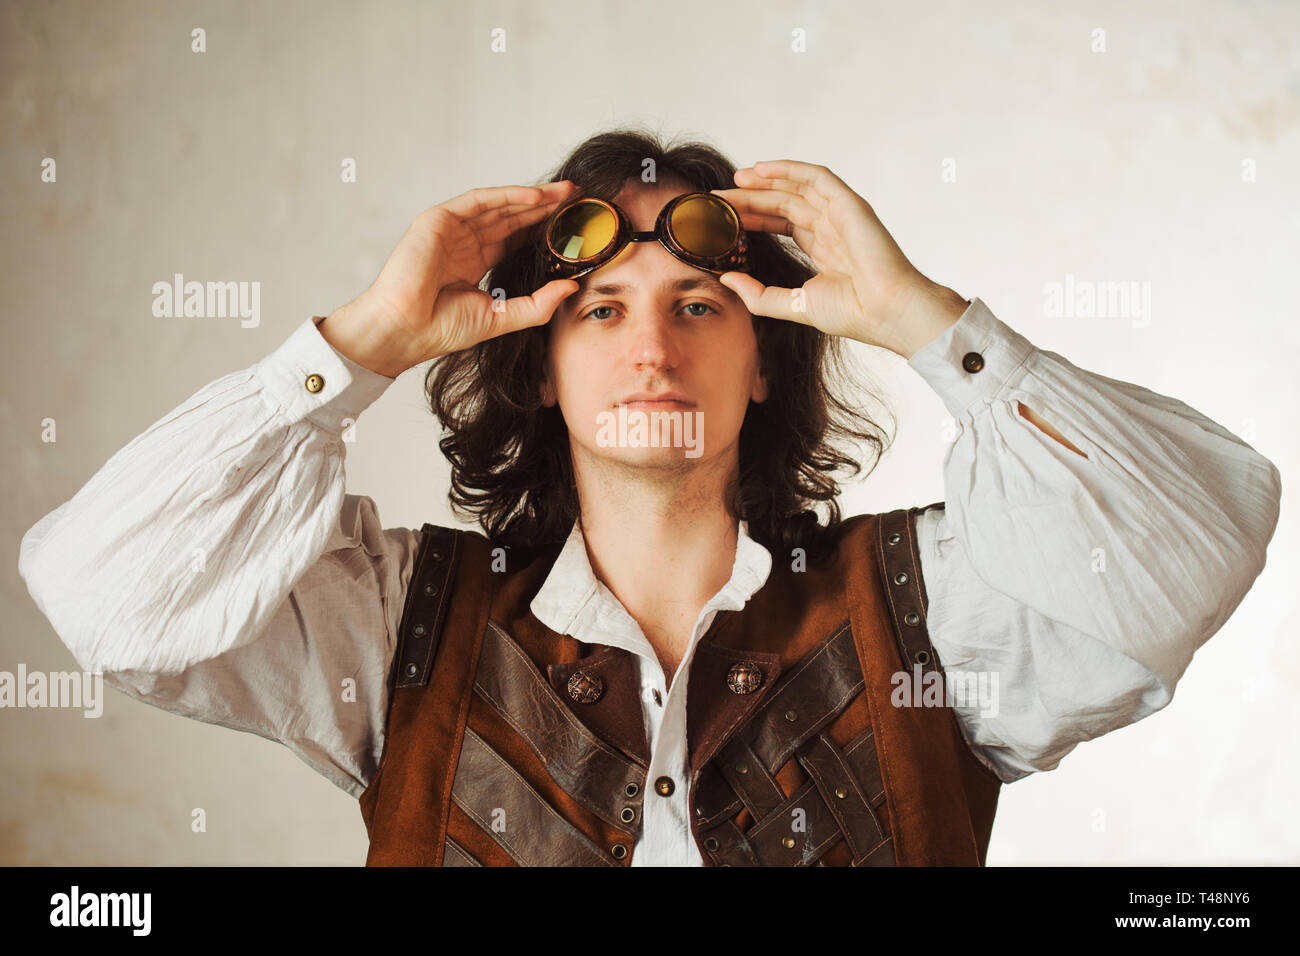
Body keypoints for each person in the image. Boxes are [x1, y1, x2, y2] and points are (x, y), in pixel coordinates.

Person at [19, 128, 1282, 867]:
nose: (652, 350)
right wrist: (355, 346)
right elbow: (98, 589)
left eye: (698, 306)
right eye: (601, 310)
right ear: (541, 362)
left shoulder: (934, 612)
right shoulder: (399, 623)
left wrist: (926, 322)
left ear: (764, 356)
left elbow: (1202, 538)